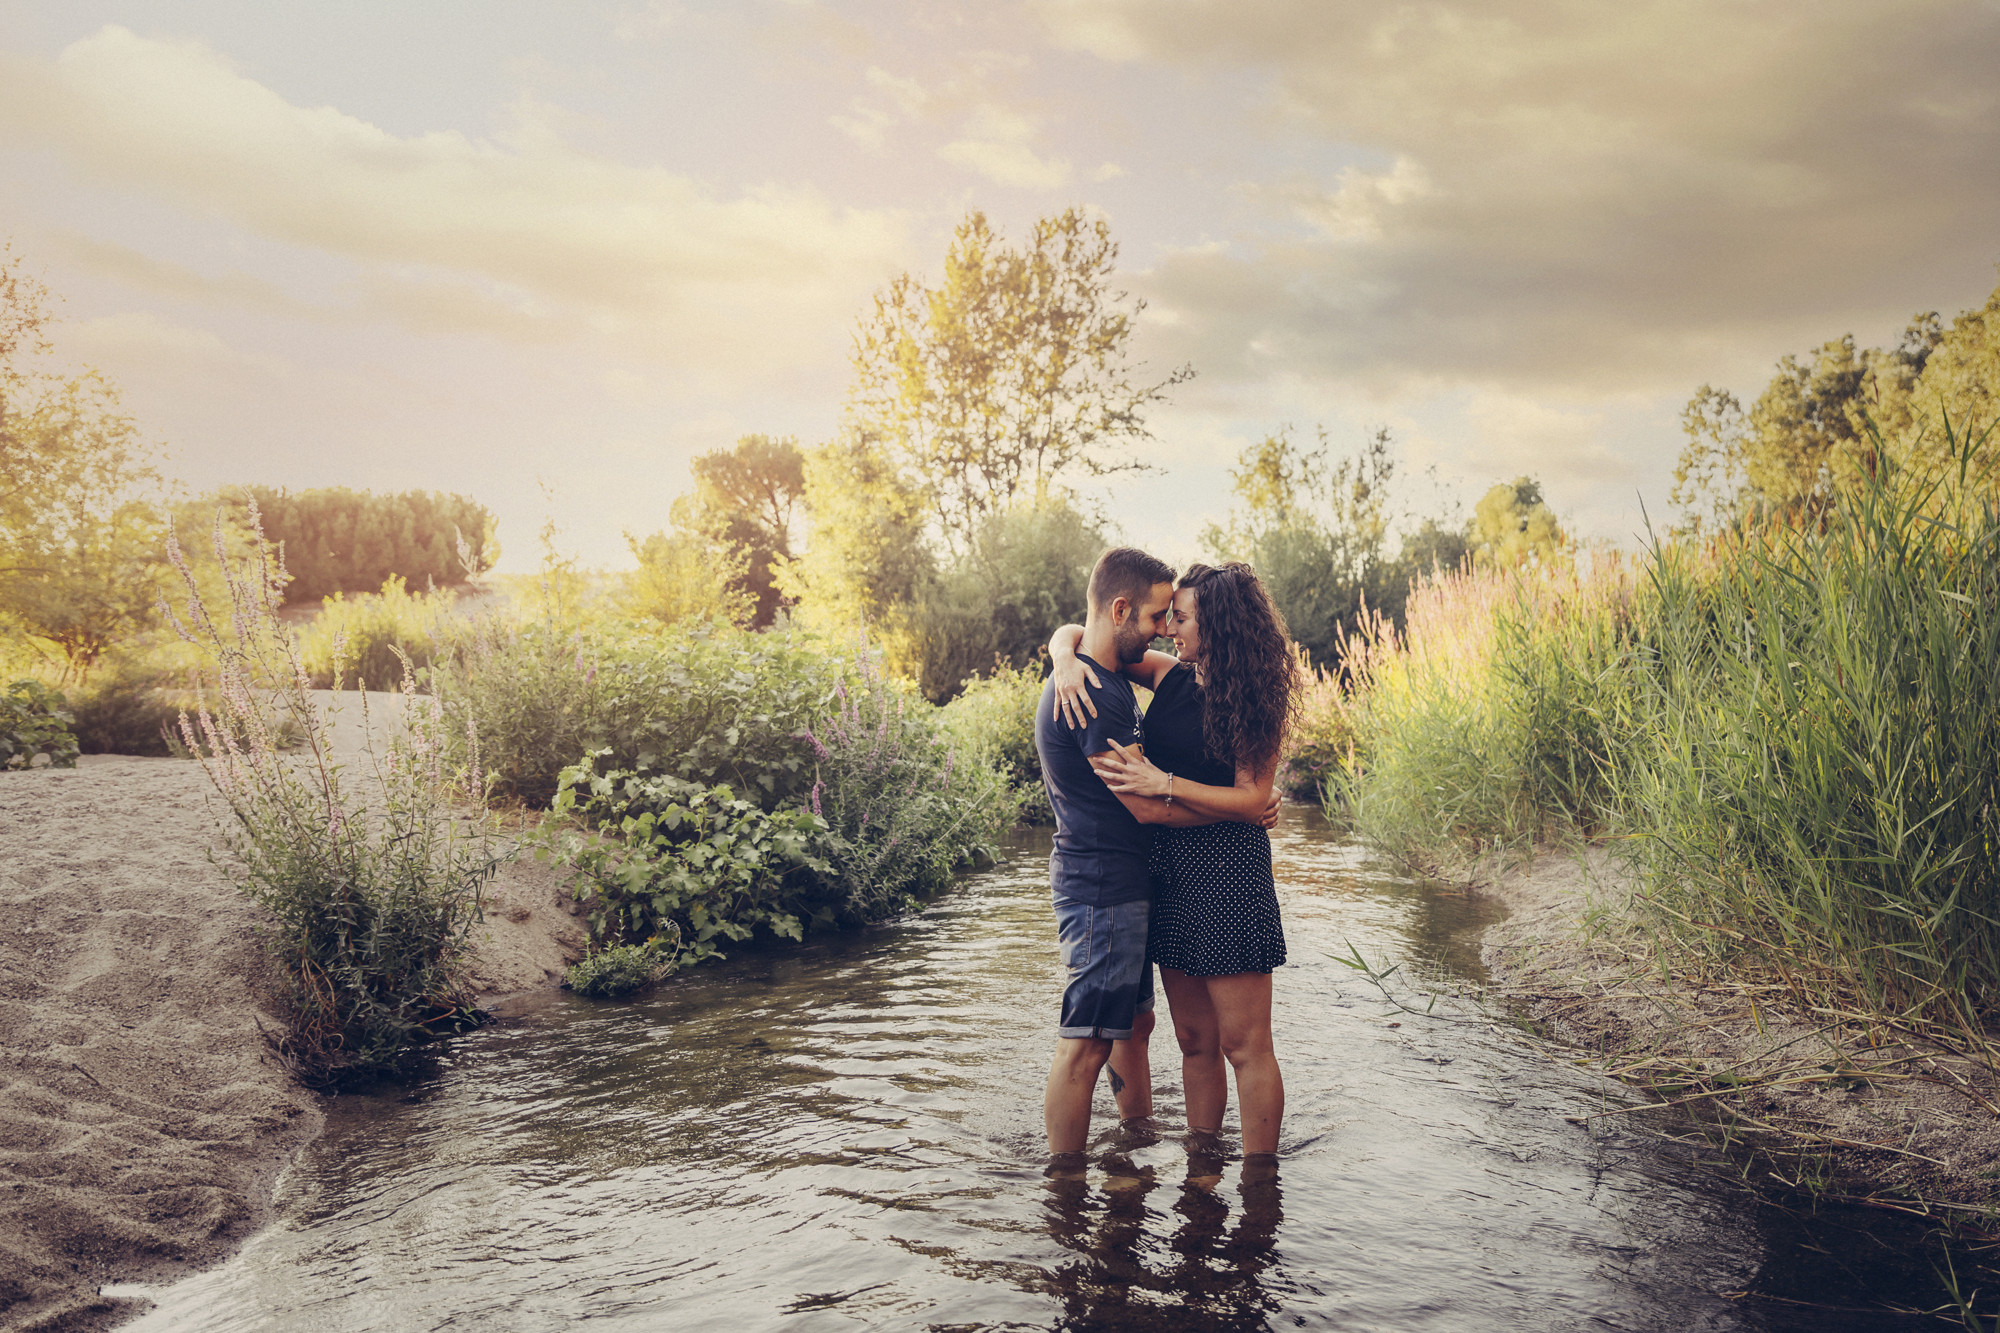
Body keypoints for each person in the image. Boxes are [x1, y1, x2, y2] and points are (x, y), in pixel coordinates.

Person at [1048, 561, 1301, 1161]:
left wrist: (1167, 783)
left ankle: (1261, 1182)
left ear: (1216, 625)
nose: (1167, 630)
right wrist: (1061, 658)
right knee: (1193, 1041)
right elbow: (1085, 631)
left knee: (1246, 1047)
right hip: (1171, 875)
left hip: (1228, 877)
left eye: (1180, 618)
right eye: (1168, 617)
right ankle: (1203, 1161)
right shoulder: (1169, 676)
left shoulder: (1257, 698)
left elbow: (1254, 795)